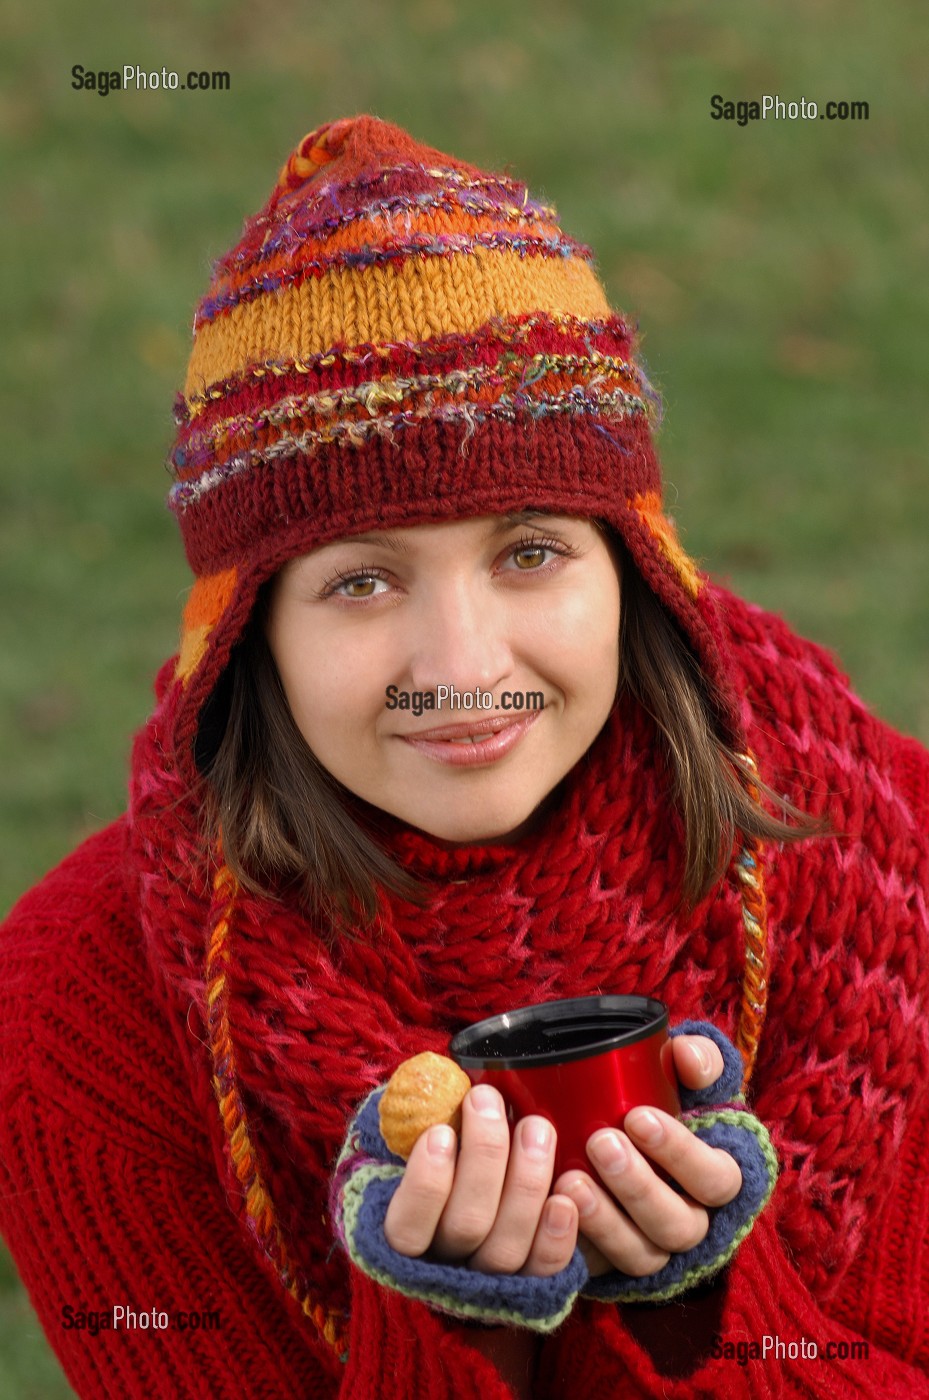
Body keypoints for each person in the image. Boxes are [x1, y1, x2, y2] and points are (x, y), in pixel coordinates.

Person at [0, 115, 926, 1400]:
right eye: (361, 580)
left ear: (635, 569)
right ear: (244, 632)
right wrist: (448, 1330)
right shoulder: (80, 1008)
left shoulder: (885, 860)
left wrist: (709, 1302)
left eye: (528, 550)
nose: (460, 663)